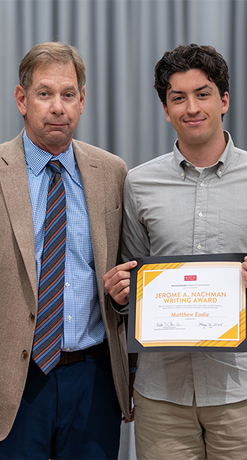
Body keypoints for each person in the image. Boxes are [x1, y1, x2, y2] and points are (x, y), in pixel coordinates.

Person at [103, 43, 247, 460]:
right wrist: (120, 295)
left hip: (242, 391)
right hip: (161, 394)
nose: (191, 108)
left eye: (202, 94)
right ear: (166, 110)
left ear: (223, 100)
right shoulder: (138, 183)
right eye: (177, 98)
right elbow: (132, 280)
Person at [0, 42, 131, 459]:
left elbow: (128, 270)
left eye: (68, 94)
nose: (58, 107)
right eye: (44, 94)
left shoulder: (112, 172)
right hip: (15, 382)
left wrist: (126, 294)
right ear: (22, 100)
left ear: (82, 100)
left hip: (94, 380)